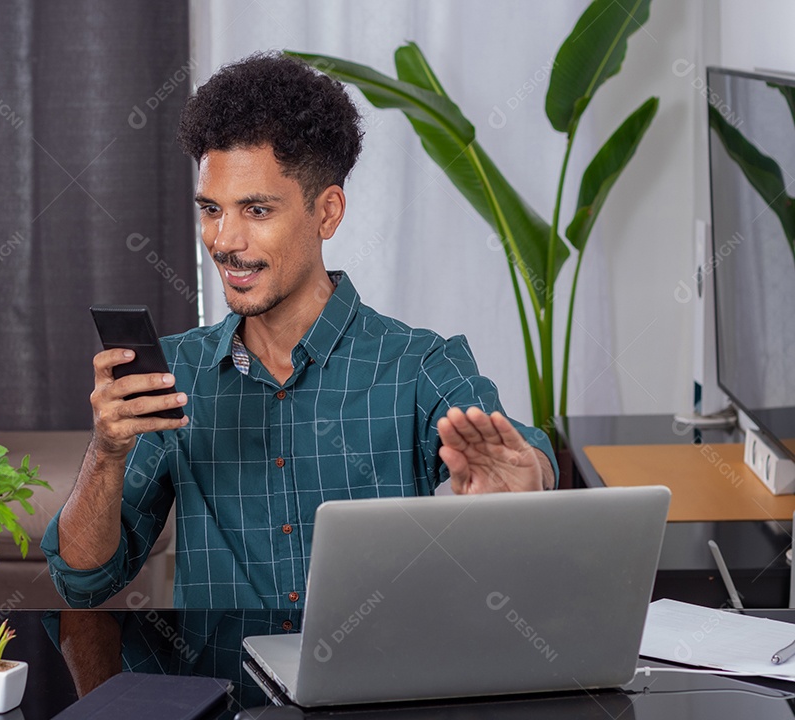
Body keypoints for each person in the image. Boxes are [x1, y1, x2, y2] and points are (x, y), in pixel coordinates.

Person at [42, 52, 556, 609]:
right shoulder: (176, 375)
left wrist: (531, 475)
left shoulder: (420, 363)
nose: (223, 240)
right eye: (212, 209)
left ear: (327, 212)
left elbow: (513, 445)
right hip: (224, 693)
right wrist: (106, 453)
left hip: (372, 691)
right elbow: (84, 583)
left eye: (256, 211)